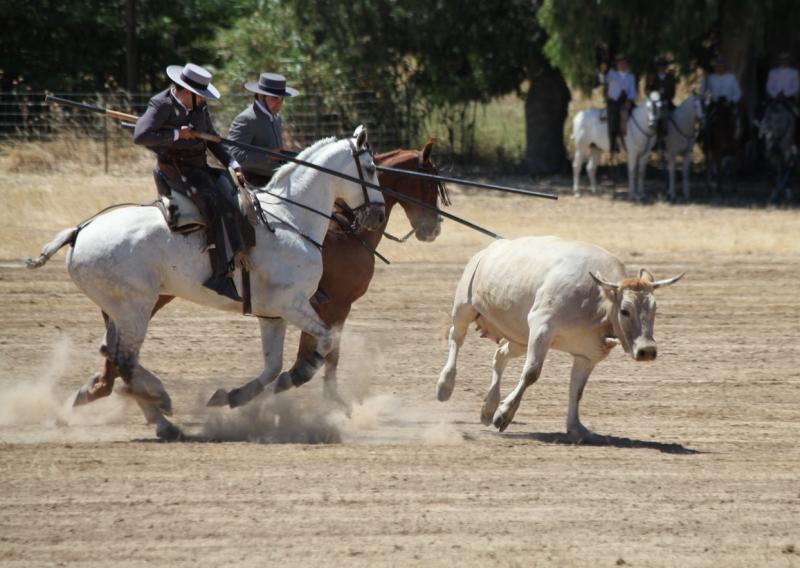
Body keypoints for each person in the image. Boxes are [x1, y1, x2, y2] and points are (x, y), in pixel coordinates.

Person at [133, 63, 249, 301]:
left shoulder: (199, 108)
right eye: (201, 95)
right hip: (174, 169)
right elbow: (141, 135)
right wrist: (177, 134)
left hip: (198, 167)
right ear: (187, 92)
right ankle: (219, 274)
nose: (205, 100)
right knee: (215, 205)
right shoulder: (161, 103)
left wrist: (233, 164)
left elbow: (213, 140)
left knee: (235, 197)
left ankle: (240, 256)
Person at [228, 73, 300, 186]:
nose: (279, 104)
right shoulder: (246, 119)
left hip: (276, 177)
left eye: (282, 99)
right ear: (261, 95)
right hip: (253, 182)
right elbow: (235, 154)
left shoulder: (276, 117)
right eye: (274, 98)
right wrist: (268, 156)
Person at [599, 53, 637, 154]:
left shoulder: (631, 76)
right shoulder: (612, 74)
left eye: (624, 63)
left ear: (627, 64)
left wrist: (629, 100)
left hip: (626, 100)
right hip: (614, 101)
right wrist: (602, 72)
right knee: (613, 118)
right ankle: (613, 144)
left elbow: (632, 90)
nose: (622, 65)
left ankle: (637, 139)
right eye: (620, 63)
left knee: (637, 115)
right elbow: (603, 80)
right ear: (617, 65)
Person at [765, 52, 799, 144]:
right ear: (779, 61)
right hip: (774, 99)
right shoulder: (773, 72)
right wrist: (776, 94)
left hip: (788, 99)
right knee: (764, 115)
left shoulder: (794, 73)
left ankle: (796, 141)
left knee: (797, 115)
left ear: (788, 61)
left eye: (785, 60)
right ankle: (763, 138)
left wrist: (785, 94)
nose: (784, 62)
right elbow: (769, 86)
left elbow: (796, 87)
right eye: (782, 60)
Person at [646, 57, 677, 145]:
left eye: (664, 66)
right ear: (657, 67)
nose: (662, 68)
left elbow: (673, 91)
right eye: (660, 66)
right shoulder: (653, 77)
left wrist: (668, 99)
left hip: (667, 101)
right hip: (654, 103)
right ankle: (657, 139)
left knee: (677, 116)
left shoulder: (670, 77)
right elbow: (647, 90)